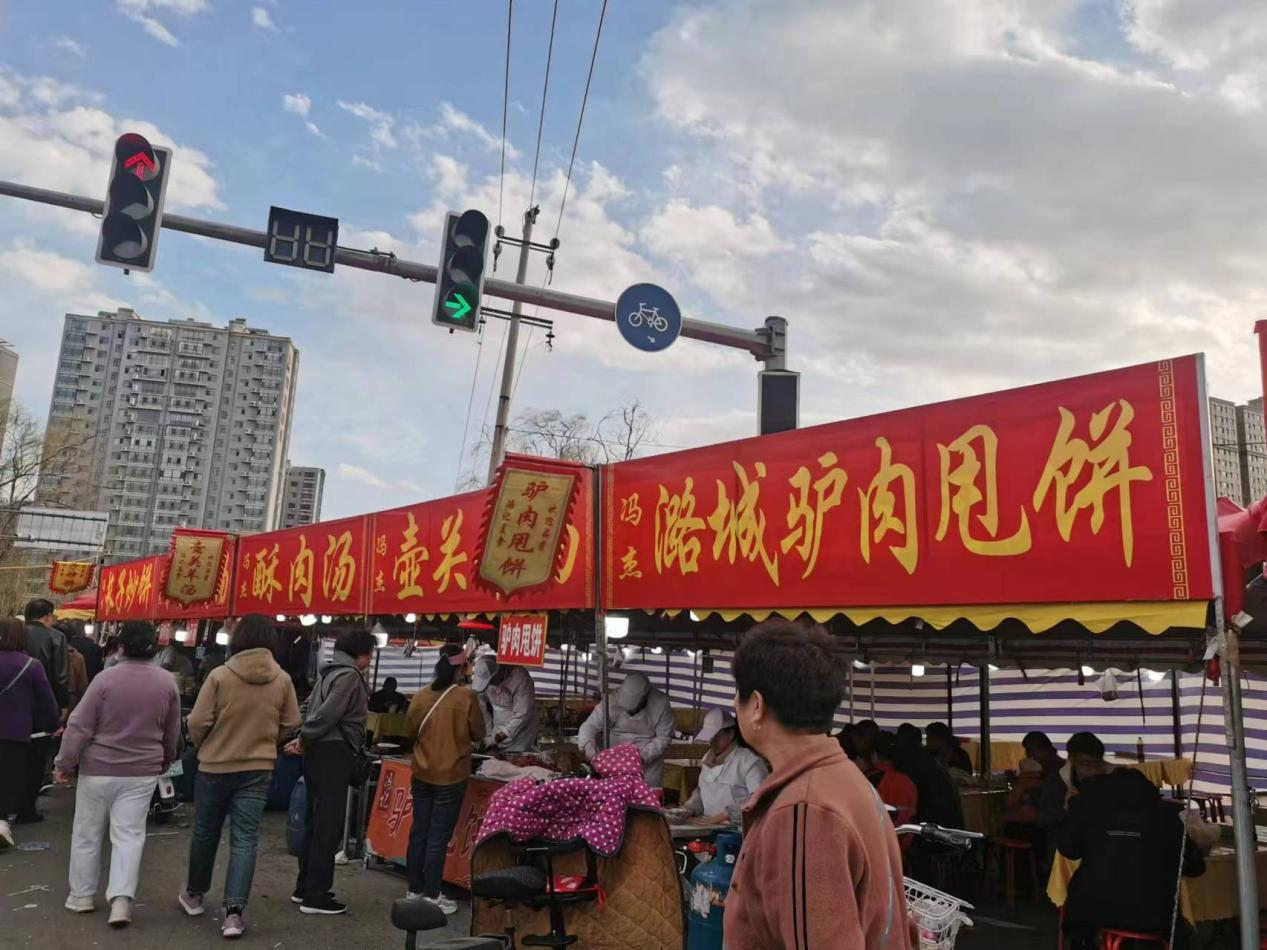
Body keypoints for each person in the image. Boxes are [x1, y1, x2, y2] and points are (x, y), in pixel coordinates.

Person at [723, 621, 913, 949]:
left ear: (756, 705)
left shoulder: (803, 809)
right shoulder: (844, 778)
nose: (732, 703)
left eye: (737, 692)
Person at [179, 614, 300, 939]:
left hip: (214, 767)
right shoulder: (282, 679)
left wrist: (207, 744)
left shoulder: (219, 675)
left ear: (238, 638)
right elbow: (292, 723)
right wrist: (267, 742)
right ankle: (233, 914)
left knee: (205, 833)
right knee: (245, 838)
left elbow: (196, 722)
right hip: (257, 769)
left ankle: (194, 894)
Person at [53, 621, 181, 928]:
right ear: (155, 648)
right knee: (129, 835)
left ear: (120, 647)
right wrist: (167, 759)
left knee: (87, 833)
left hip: (98, 768)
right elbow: (172, 730)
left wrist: (63, 763)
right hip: (142, 770)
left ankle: (81, 896)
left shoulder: (104, 679)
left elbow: (79, 726)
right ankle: (121, 900)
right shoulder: (167, 682)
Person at [1059, 768, 1205, 949]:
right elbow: (1195, 867)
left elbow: (1068, 850)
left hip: (1092, 910)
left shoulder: (1089, 810)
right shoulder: (1168, 815)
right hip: (1153, 916)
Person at [290, 628, 374, 916]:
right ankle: (316, 895)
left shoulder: (328, 672)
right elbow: (329, 713)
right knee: (328, 825)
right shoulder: (349, 676)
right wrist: (304, 736)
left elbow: (307, 707)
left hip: (317, 753)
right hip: (333, 754)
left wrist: (302, 735)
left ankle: (304, 888)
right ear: (361, 654)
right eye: (370, 655)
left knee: (315, 822)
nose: (370, 660)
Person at [404, 645, 485, 914]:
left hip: (422, 772)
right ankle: (433, 894)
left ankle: (414, 889)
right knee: (437, 836)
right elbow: (478, 732)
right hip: (451, 775)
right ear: (460, 668)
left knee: (419, 832)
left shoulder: (420, 695)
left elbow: (409, 730)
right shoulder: (466, 697)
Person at [0, 617, 59, 850]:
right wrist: (53, 725)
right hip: (15, 733)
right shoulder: (31, 665)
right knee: (9, 779)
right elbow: (46, 701)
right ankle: (2, 823)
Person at [667, 708, 768, 824]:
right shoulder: (707, 758)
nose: (711, 741)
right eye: (709, 737)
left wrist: (725, 815)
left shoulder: (750, 762)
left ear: (731, 734)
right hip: (709, 826)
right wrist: (687, 809)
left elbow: (760, 802)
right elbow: (701, 792)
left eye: (716, 736)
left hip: (740, 829)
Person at [577, 671, 675, 787]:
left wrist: (640, 757)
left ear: (645, 696)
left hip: (647, 768)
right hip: (614, 763)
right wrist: (588, 744)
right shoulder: (611, 699)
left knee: (644, 797)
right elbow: (590, 725)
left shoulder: (661, 703)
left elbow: (663, 737)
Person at [19, 598, 68, 823]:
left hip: (12, 704)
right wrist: (62, 705)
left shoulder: (14, 634)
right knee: (37, 758)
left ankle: (10, 806)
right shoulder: (56, 637)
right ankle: (27, 808)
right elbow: (60, 676)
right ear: (48, 616)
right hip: (42, 705)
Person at [1038, 731, 1109, 835]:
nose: (1092, 770)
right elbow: (1044, 821)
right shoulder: (1057, 782)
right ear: (1072, 759)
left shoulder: (1111, 778)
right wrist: (1065, 808)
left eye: (1097, 764)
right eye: (1085, 764)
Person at [482, 659, 539, 754]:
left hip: (520, 738)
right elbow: (482, 705)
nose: (489, 684)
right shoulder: (485, 678)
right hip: (497, 732)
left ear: (498, 673)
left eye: (491, 681)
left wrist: (497, 738)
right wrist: (488, 735)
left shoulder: (520, 678)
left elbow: (522, 715)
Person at [867, 731, 919, 828]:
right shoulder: (908, 781)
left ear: (874, 754)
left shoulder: (870, 780)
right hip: (904, 835)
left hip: (879, 835)